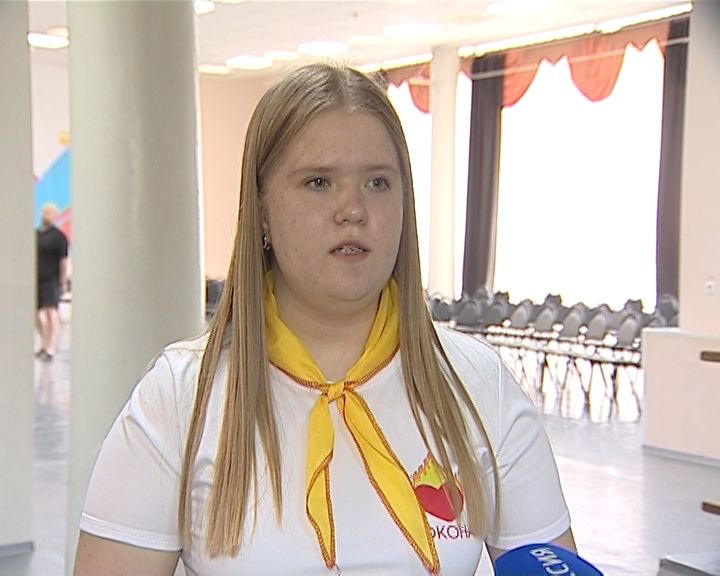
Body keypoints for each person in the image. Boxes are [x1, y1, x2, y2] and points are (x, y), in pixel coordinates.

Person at [73, 63, 575, 576]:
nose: (353, 209)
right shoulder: (181, 398)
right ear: (261, 211)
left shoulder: (481, 387)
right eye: (319, 182)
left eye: (378, 182)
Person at [36, 203, 69, 361]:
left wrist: (62, 281)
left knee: (50, 312)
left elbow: (63, 261)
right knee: (38, 315)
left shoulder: (59, 237)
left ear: (55, 215)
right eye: (44, 212)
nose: (45, 215)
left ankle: (51, 347)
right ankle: (44, 343)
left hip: (51, 279)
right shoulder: (36, 234)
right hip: (37, 279)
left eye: (48, 212)